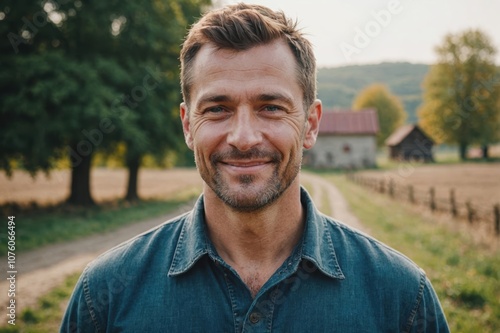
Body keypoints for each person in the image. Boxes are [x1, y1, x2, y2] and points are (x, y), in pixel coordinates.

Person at [61, 3, 449, 332]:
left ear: (310, 124)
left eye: (270, 107)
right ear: (187, 126)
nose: (243, 138)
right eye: (217, 109)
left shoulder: (401, 298)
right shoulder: (105, 296)